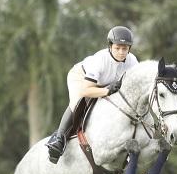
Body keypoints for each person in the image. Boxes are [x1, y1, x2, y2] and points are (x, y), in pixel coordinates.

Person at [46, 26, 139, 164]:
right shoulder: (100, 60)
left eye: (124, 49)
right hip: (81, 78)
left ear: (129, 49)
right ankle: (58, 140)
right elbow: (86, 91)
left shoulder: (132, 61)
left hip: (106, 83)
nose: (121, 52)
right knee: (78, 102)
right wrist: (107, 91)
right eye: (117, 48)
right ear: (110, 46)